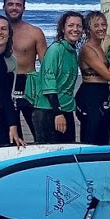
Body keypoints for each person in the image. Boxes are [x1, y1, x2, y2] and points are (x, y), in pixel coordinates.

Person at [31, 11, 84, 143]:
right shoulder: (56, 49)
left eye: (79, 26)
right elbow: (49, 83)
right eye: (71, 25)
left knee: (67, 152)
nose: (75, 29)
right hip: (49, 111)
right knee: (50, 155)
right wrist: (57, 113)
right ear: (63, 28)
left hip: (65, 109)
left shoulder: (71, 51)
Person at [74, 11, 110, 145]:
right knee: (91, 136)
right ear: (88, 30)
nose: (101, 28)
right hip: (90, 94)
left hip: (101, 93)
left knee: (102, 135)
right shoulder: (87, 49)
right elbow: (108, 75)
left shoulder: (100, 47)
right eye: (96, 25)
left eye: (103, 25)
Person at [2, 0, 47, 141]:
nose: (14, 8)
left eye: (18, 5)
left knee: (40, 132)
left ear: (24, 8)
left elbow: (46, 65)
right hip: (5, 83)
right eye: (10, 4)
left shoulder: (34, 32)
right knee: (11, 134)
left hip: (29, 83)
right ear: (4, 7)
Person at [0, 14, 24, 149]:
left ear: (9, 34)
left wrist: (13, 127)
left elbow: (7, 97)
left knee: (13, 144)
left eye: (3, 29)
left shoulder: (11, 61)